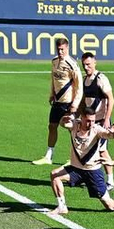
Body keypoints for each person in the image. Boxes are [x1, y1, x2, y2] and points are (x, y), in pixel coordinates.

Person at [48, 114, 114, 216]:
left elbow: (109, 135)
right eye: (88, 121)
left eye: (93, 121)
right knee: (55, 175)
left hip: (92, 172)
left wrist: (113, 133)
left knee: (111, 206)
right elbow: (64, 124)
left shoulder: (96, 129)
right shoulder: (75, 125)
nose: (91, 123)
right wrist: (63, 119)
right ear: (82, 119)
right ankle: (62, 207)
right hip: (76, 169)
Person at [33, 37, 81, 165]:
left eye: (62, 49)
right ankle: (49, 156)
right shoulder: (54, 61)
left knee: (71, 129)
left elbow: (79, 86)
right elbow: (53, 79)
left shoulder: (72, 64)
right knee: (52, 126)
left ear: (67, 48)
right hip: (57, 101)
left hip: (68, 102)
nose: (60, 52)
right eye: (58, 49)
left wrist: (75, 104)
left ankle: (75, 158)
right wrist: (51, 94)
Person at [79, 51, 114, 125]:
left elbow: (111, 99)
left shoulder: (101, 79)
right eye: (83, 65)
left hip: (101, 121)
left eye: (88, 64)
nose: (85, 67)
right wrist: (82, 116)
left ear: (94, 62)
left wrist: (107, 119)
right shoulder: (84, 79)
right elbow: (82, 101)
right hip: (89, 121)